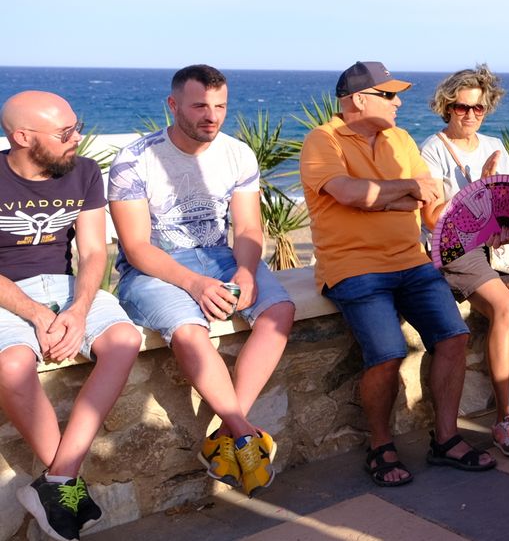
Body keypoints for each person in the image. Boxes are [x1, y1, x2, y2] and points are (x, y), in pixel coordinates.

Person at [299, 61, 495, 487]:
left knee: (454, 336)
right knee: (387, 353)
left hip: (412, 261)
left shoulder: (401, 139)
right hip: (352, 266)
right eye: (388, 95)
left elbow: (430, 208)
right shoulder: (323, 140)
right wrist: (398, 191)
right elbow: (349, 192)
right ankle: (381, 446)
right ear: (357, 100)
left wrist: (480, 192)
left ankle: (445, 440)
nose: (399, 102)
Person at [108, 65, 295, 497]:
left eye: (220, 106)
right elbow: (136, 247)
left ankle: (229, 435)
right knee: (191, 332)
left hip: (222, 256)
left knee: (279, 310)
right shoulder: (134, 160)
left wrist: (246, 270)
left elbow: (248, 227)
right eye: (199, 106)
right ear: (173, 106)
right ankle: (246, 437)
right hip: (155, 267)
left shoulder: (237, 153)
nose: (211, 116)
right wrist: (194, 284)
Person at [0, 91, 141, 541]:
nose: (77, 138)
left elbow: (95, 250)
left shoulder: (84, 171)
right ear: (22, 137)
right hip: (7, 293)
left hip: (67, 287)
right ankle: (65, 486)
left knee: (124, 339)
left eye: (76, 126)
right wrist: (37, 314)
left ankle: (57, 479)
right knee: (13, 364)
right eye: (65, 133)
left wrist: (79, 310)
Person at [417, 65, 509, 456]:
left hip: (495, 251)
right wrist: (482, 184)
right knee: (507, 310)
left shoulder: (494, 144)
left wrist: (507, 224)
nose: (471, 116)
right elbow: (431, 218)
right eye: (463, 108)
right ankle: (506, 418)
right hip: (457, 252)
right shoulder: (433, 149)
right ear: (447, 106)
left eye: (479, 109)